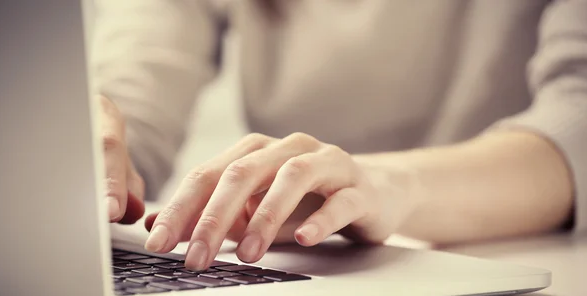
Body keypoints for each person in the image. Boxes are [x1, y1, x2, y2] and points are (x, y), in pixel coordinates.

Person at [92, 0, 587, 271]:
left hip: (519, 276)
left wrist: (385, 185)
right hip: (302, 264)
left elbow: (578, 119)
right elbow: (133, 100)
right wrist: (98, 144)